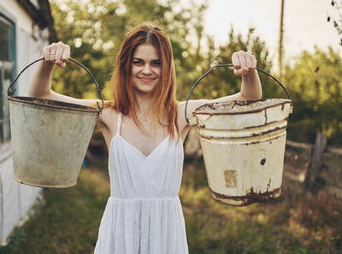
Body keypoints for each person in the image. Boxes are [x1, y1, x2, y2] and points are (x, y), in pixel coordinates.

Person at [29, 23, 262, 254]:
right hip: (120, 234)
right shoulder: (109, 115)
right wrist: (47, 62)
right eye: (138, 62)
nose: (147, 70)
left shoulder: (181, 114)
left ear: (167, 68)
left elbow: (248, 98)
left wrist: (248, 71)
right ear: (126, 66)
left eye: (156, 63)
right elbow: (40, 95)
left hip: (166, 234)